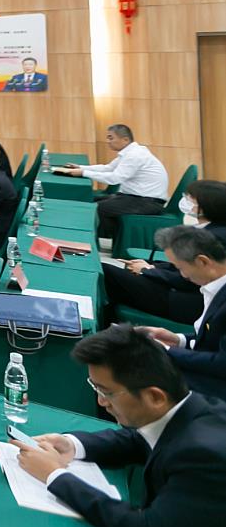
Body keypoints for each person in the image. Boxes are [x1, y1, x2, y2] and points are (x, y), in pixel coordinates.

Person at [13, 324, 226, 527]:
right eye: (95, 387)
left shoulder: (205, 457)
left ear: (154, 397)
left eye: (107, 392)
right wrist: (72, 446)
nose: (101, 402)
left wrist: (55, 476)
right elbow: (139, 439)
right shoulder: (187, 408)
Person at [105, 179, 226, 325]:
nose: (186, 201)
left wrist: (147, 271)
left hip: (182, 301)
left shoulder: (215, 237)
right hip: (174, 289)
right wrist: (153, 266)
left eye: (191, 199)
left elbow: (189, 279)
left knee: (107, 273)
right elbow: (182, 267)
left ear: (206, 207)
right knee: (114, 274)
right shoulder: (210, 229)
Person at [133, 226, 226, 400]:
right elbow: (213, 340)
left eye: (180, 268)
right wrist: (178, 340)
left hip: (217, 385)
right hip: (208, 370)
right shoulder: (214, 286)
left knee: (130, 374)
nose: (182, 276)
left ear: (202, 262)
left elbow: (222, 363)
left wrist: (166, 350)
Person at [55, 124, 170, 240]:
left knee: (95, 208)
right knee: (89, 200)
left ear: (125, 140)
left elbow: (114, 178)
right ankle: (106, 235)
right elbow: (108, 168)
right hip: (133, 197)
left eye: (111, 138)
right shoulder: (129, 152)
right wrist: (81, 168)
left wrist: (83, 173)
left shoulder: (135, 155)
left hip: (148, 202)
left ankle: (98, 238)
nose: (108, 141)